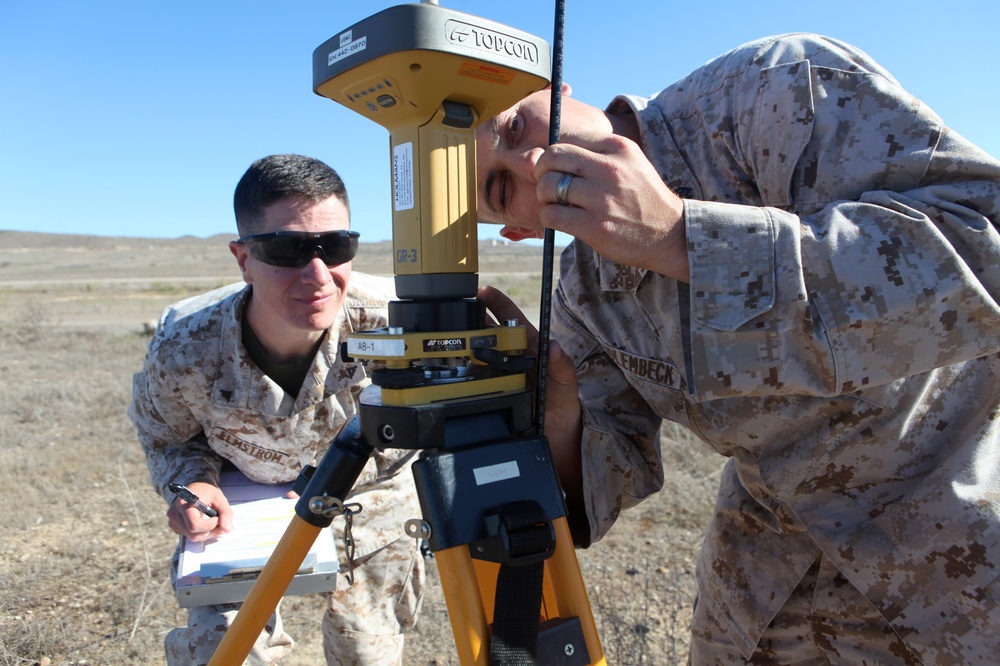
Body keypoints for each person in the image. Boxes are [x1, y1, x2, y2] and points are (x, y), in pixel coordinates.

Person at [475, 33, 1000, 664]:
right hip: (760, 593)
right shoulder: (581, 293)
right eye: (504, 188)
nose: (533, 163)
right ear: (520, 228)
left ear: (557, 91)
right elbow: (609, 468)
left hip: (953, 563)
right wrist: (560, 417)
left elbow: (984, 243)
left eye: (515, 125)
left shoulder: (770, 93)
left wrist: (679, 238)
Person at [129, 154, 424, 666]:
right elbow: (168, 437)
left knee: (366, 649)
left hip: (367, 500)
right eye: (287, 250)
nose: (317, 275)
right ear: (243, 258)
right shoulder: (185, 346)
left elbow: (424, 425)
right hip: (240, 511)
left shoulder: (396, 323)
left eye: (334, 247)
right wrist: (194, 484)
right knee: (224, 650)